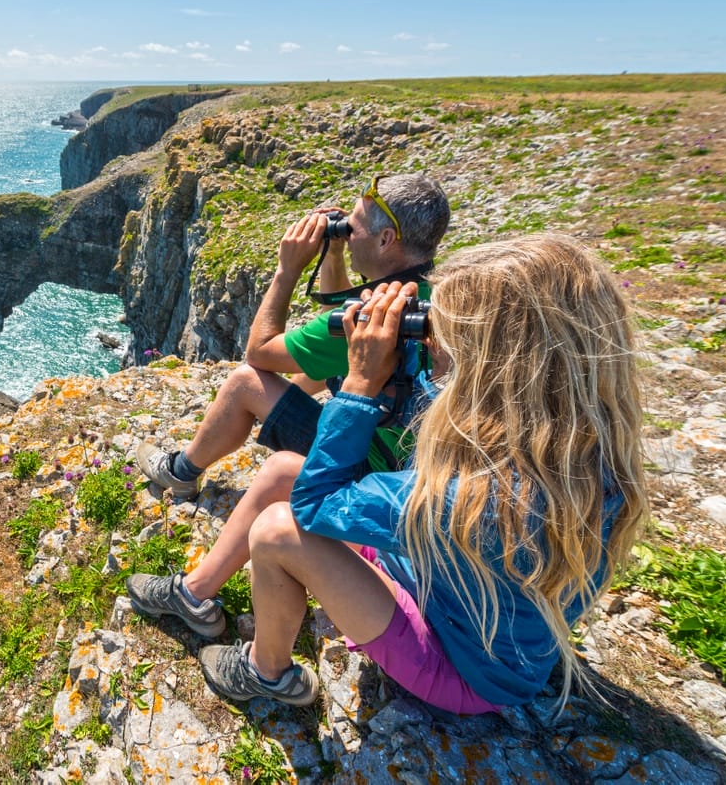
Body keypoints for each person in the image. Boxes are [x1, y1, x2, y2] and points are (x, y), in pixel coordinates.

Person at [191, 234, 648, 712]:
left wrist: (361, 382)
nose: (432, 345)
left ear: (489, 366)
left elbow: (316, 504)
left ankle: (268, 672)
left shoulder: (483, 495)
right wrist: (393, 360)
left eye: (444, 338)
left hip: (464, 668)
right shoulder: (567, 441)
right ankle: (196, 593)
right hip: (449, 591)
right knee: (286, 469)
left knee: (278, 531)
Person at [128, 174, 450, 637]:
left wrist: (287, 269)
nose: (344, 232)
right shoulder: (427, 299)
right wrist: (335, 253)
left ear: (386, 239)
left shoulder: (372, 319)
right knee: (313, 372)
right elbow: (330, 351)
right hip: (404, 468)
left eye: (351, 228)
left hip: (366, 469)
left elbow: (259, 351)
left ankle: (180, 472)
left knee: (245, 382)